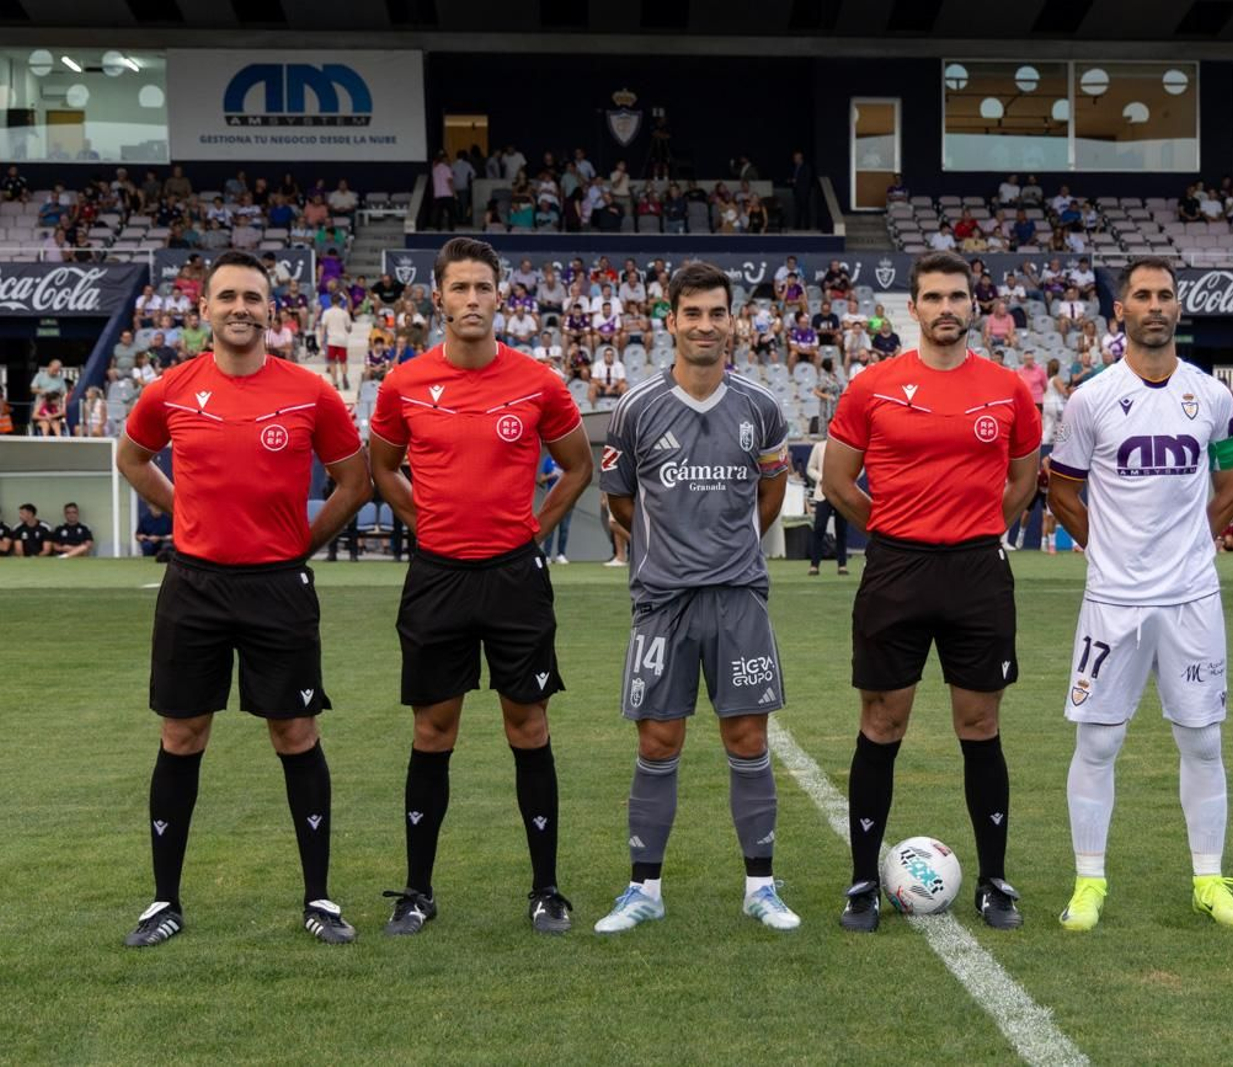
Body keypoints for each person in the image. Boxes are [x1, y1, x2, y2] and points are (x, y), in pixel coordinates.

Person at [116, 250, 370, 947]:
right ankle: (163, 900)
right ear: (203, 309)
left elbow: (354, 481)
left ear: (271, 311)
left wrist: (299, 544)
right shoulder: (170, 389)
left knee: (295, 731)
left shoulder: (309, 391)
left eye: (252, 298)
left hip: (277, 587)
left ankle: (319, 897)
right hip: (193, 585)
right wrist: (181, 512)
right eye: (226, 296)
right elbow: (132, 457)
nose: (239, 308)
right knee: (181, 734)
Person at [368, 238, 593, 937]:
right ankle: (418, 890)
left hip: (513, 577)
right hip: (438, 576)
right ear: (438, 297)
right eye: (459, 287)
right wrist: (421, 519)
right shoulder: (404, 383)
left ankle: (547, 889)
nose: (471, 299)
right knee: (433, 729)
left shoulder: (538, 382)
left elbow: (576, 467)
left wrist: (535, 525)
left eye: (482, 288)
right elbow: (382, 468)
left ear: (501, 298)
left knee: (527, 722)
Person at [822, 251, 1042, 932]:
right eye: (934, 297)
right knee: (881, 723)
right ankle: (862, 880)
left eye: (958, 296)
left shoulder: (1008, 389)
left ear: (974, 306)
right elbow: (837, 483)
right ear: (911, 309)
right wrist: (892, 532)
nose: (946, 308)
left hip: (977, 572)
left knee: (980, 726)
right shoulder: (873, 387)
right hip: (896, 571)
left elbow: (1024, 481)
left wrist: (975, 531)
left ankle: (996, 878)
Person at [593, 262, 799, 934]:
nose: (705, 325)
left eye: (717, 313)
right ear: (671, 321)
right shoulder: (636, 409)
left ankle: (761, 887)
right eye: (693, 314)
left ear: (733, 321)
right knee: (657, 739)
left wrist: (730, 543)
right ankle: (643, 889)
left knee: (747, 734)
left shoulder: (761, 408)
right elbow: (620, 498)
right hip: (662, 600)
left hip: (738, 594)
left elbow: (771, 493)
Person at [1046, 258, 1233, 933]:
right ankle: (1088, 881)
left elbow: (1231, 487)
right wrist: (1101, 550)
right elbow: (1063, 490)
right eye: (1142, 295)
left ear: (1178, 310)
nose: (1155, 305)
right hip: (1114, 601)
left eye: (1166, 295)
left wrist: (1194, 546)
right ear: (1121, 313)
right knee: (1099, 740)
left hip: (1193, 597)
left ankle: (1208, 879)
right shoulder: (1091, 398)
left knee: (1203, 739)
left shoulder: (1214, 397)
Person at [806, 436, 848, 576]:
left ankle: (842, 565)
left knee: (841, 529)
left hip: (841, 492)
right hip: (823, 492)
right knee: (819, 528)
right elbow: (810, 468)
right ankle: (814, 565)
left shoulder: (847, 447)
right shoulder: (819, 446)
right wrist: (821, 478)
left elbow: (859, 468)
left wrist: (848, 479)